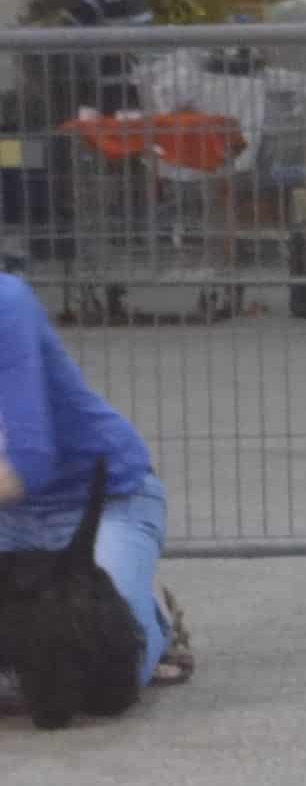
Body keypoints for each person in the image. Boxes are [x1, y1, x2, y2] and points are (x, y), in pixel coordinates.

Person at [0, 275, 193, 702]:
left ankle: (149, 622)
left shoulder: (5, 304)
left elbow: (30, 462)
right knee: (24, 675)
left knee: (96, 677)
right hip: (8, 524)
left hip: (104, 501)